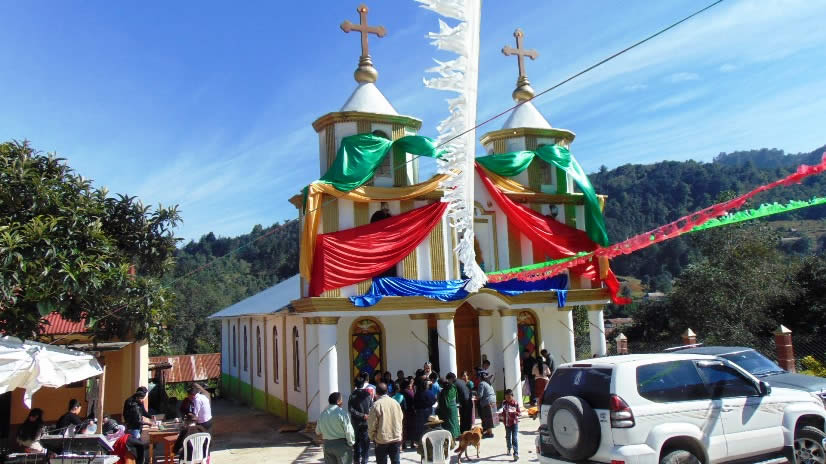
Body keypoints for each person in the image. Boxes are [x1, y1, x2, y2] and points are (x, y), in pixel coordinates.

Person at [367, 383, 403, 464]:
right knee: (396, 461)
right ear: (387, 391)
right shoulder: (395, 403)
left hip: (382, 440)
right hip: (395, 438)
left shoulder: (376, 405)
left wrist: (372, 437)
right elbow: (400, 419)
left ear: (376, 392)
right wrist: (400, 434)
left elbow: (372, 424)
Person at [317, 392, 355, 464]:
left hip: (327, 445)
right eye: (341, 400)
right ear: (338, 401)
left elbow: (318, 431)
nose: (342, 402)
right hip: (341, 445)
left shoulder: (323, 414)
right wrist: (351, 442)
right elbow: (348, 431)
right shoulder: (342, 413)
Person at [348, 374, 373, 464]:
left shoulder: (352, 395)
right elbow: (371, 407)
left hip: (356, 422)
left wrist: (361, 415)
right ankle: (364, 460)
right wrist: (365, 416)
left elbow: (350, 409)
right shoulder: (368, 394)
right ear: (363, 384)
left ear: (355, 384)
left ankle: (356, 460)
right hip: (366, 422)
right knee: (365, 442)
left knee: (356, 442)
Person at [412, 376, 436, 445]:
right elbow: (434, 400)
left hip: (420, 412)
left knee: (420, 427)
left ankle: (420, 441)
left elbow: (415, 403)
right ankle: (429, 441)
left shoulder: (417, 394)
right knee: (429, 426)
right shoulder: (430, 393)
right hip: (429, 411)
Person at [499, 389, 521, 461]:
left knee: (514, 438)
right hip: (506, 423)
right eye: (506, 397)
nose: (507, 399)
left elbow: (519, 413)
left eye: (509, 397)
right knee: (508, 437)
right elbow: (502, 411)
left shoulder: (515, 403)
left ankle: (516, 453)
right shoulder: (504, 403)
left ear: (512, 396)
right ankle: (509, 448)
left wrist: (515, 412)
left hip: (514, 423)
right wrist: (499, 414)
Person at [436, 374, 459, 439]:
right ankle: (455, 436)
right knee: (454, 422)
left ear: (440, 384)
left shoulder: (443, 392)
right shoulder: (453, 387)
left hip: (447, 410)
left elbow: (443, 404)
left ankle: (450, 438)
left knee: (449, 425)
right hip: (454, 408)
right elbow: (457, 398)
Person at [477, 373, 496, 438]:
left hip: (487, 402)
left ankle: (489, 433)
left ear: (480, 378)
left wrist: (475, 396)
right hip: (493, 401)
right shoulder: (488, 383)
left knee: (487, 418)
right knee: (490, 418)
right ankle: (489, 431)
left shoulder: (481, 383)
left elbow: (480, 395)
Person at [399, 378, 416, 450]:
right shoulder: (409, 392)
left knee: (404, 428)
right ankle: (412, 443)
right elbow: (414, 400)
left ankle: (403, 444)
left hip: (402, 412)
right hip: (410, 412)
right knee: (412, 427)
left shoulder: (400, 392)